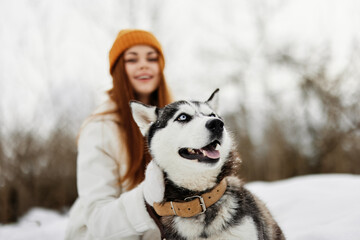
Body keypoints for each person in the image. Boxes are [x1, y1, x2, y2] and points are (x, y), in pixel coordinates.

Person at [65, 29, 173, 240]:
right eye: (132, 59)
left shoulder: (176, 121)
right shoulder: (99, 128)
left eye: (151, 58)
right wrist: (149, 198)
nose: (143, 64)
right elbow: (98, 219)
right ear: (118, 71)